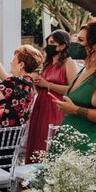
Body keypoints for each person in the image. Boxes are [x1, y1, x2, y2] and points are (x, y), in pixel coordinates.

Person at [24, 30, 78, 162]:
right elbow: (41, 86)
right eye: (48, 42)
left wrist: (48, 84)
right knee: (37, 137)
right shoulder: (47, 63)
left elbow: (73, 90)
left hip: (56, 107)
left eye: (52, 43)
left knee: (48, 140)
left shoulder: (69, 63)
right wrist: (37, 82)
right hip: (41, 105)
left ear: (62, 46)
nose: (49, 45)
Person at [0, 45, 42, 130]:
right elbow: (6, 95)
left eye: (14, 60)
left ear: (21, 65)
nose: (11, 63)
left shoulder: (13, 81)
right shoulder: (28, 83)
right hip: (13, 132)